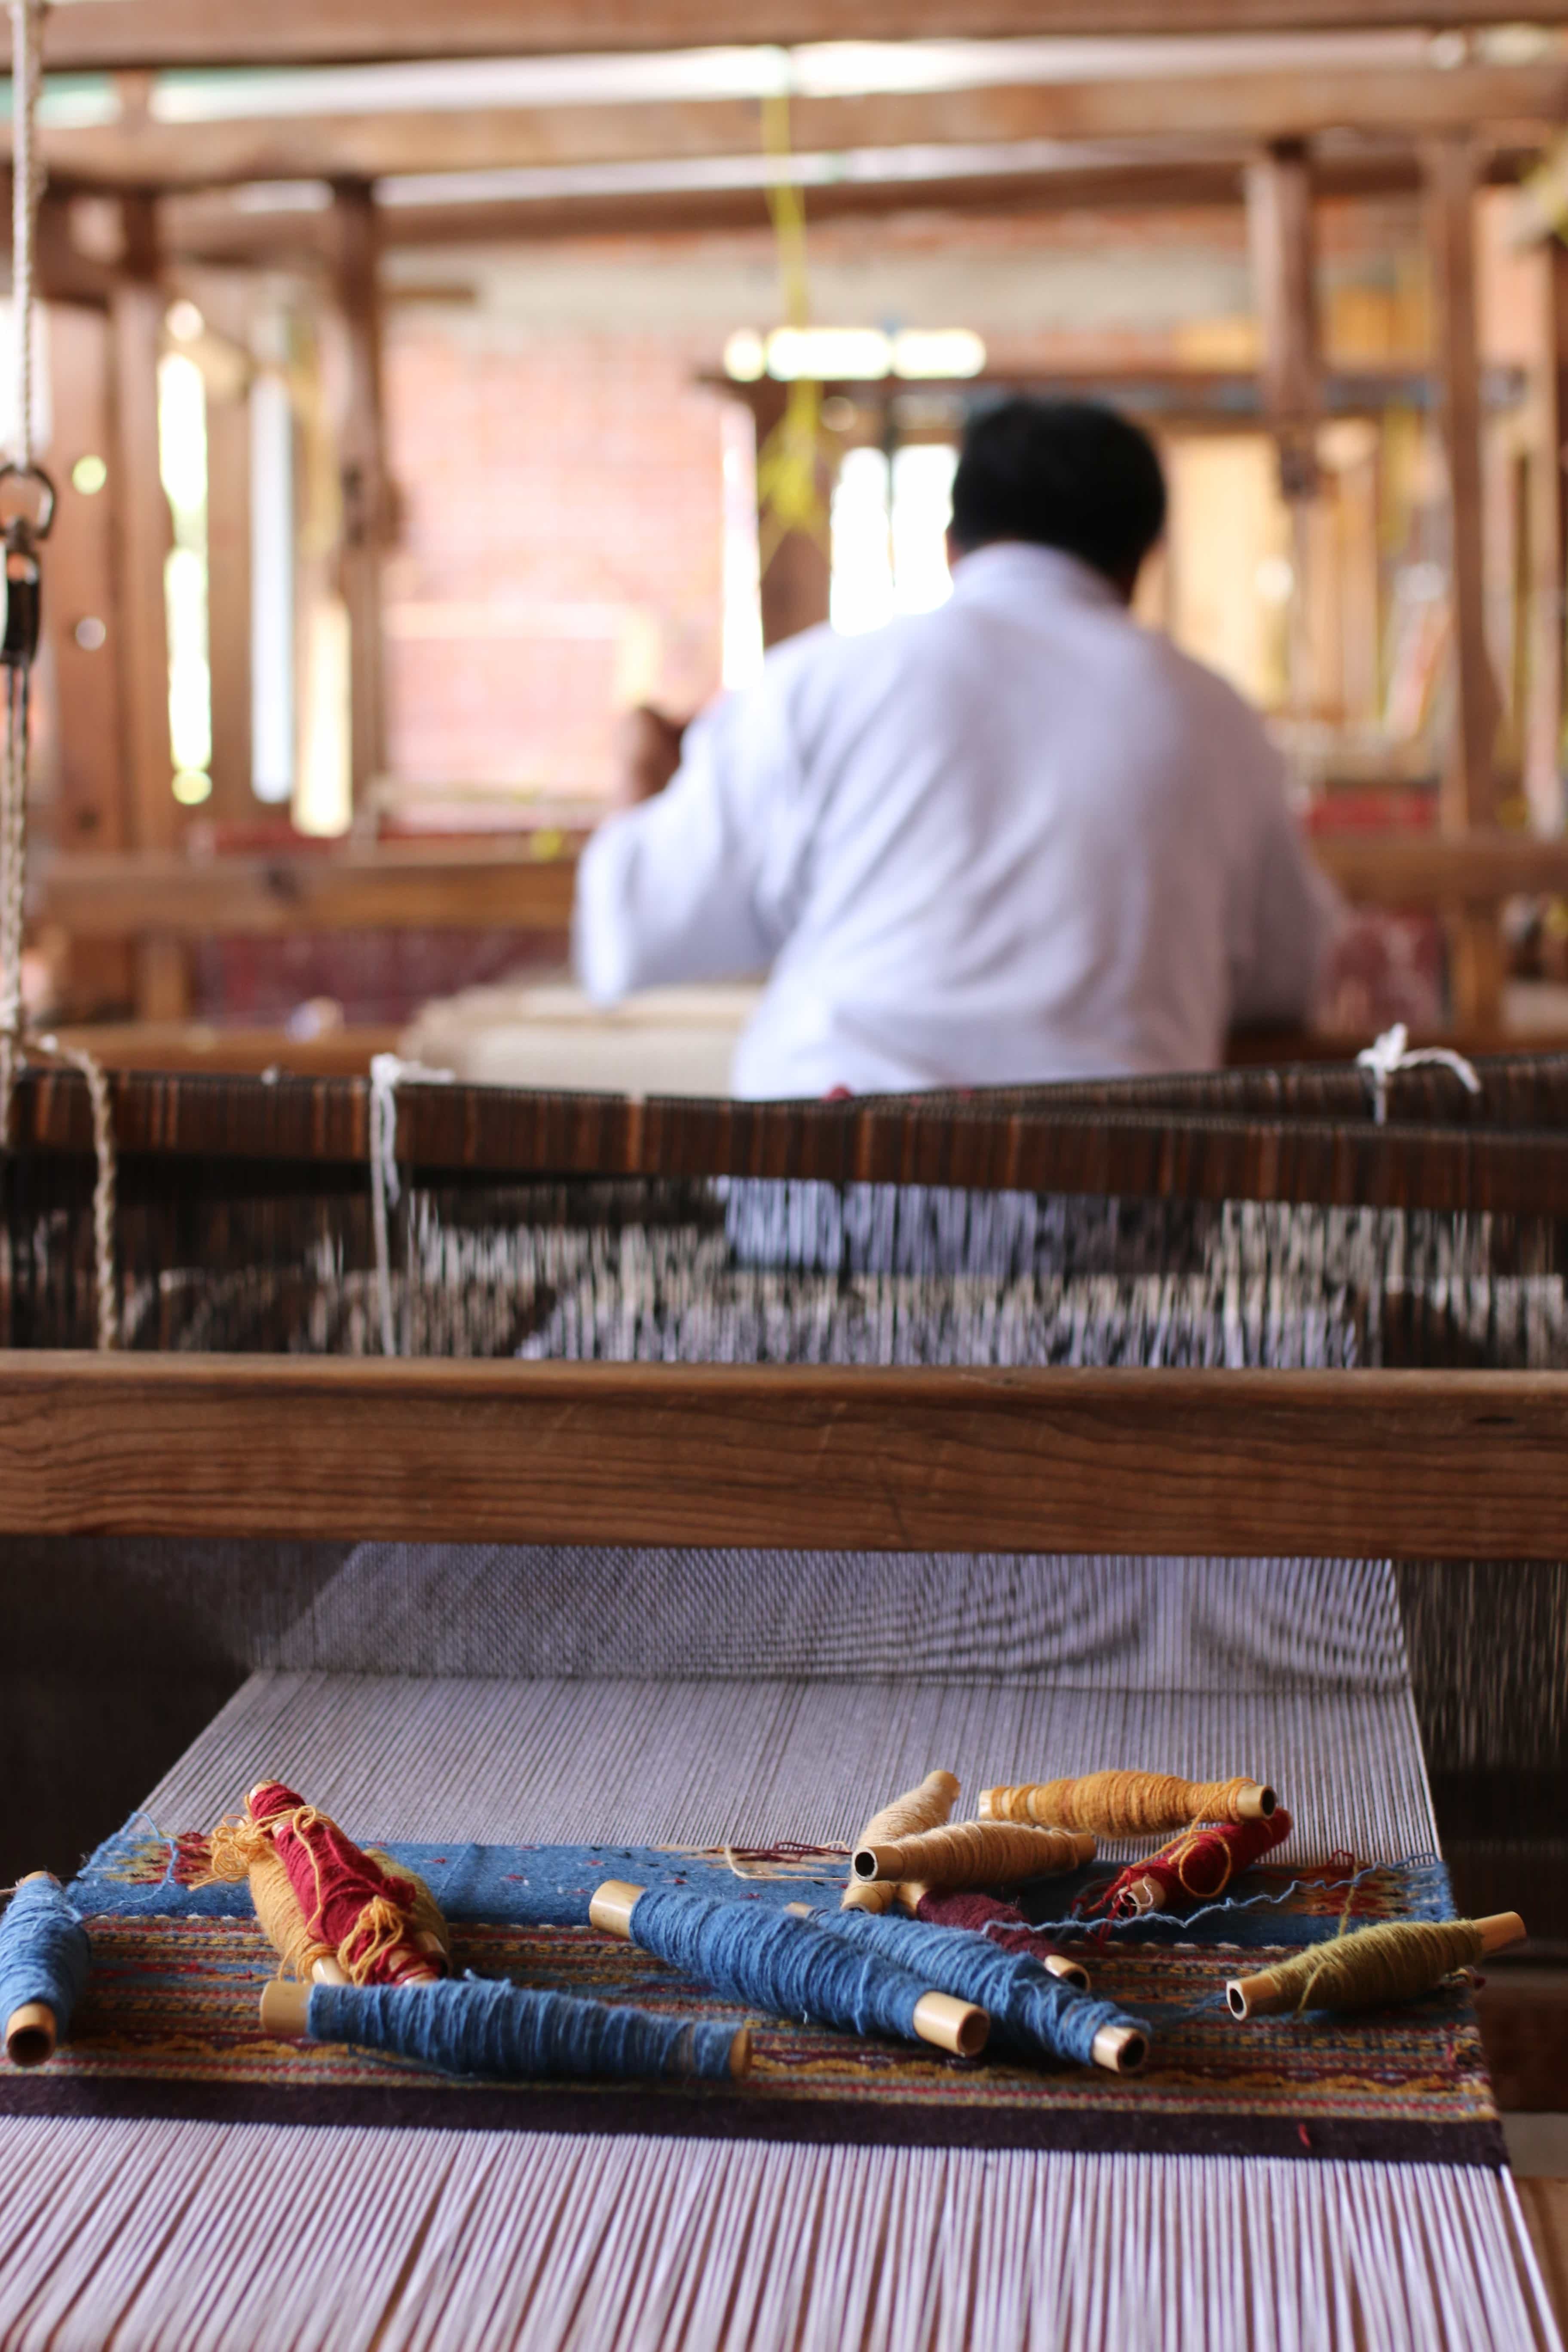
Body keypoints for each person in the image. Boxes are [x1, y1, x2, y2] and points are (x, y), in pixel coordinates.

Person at [573, 395, 1336, 1098]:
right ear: (1142, 559)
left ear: (950, 545)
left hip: (834, 1185)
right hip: (1111, 1206)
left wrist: (640, 774)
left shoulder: (821, 681)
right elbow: (1286, 980)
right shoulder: (1219, 720)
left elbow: (629, 936)